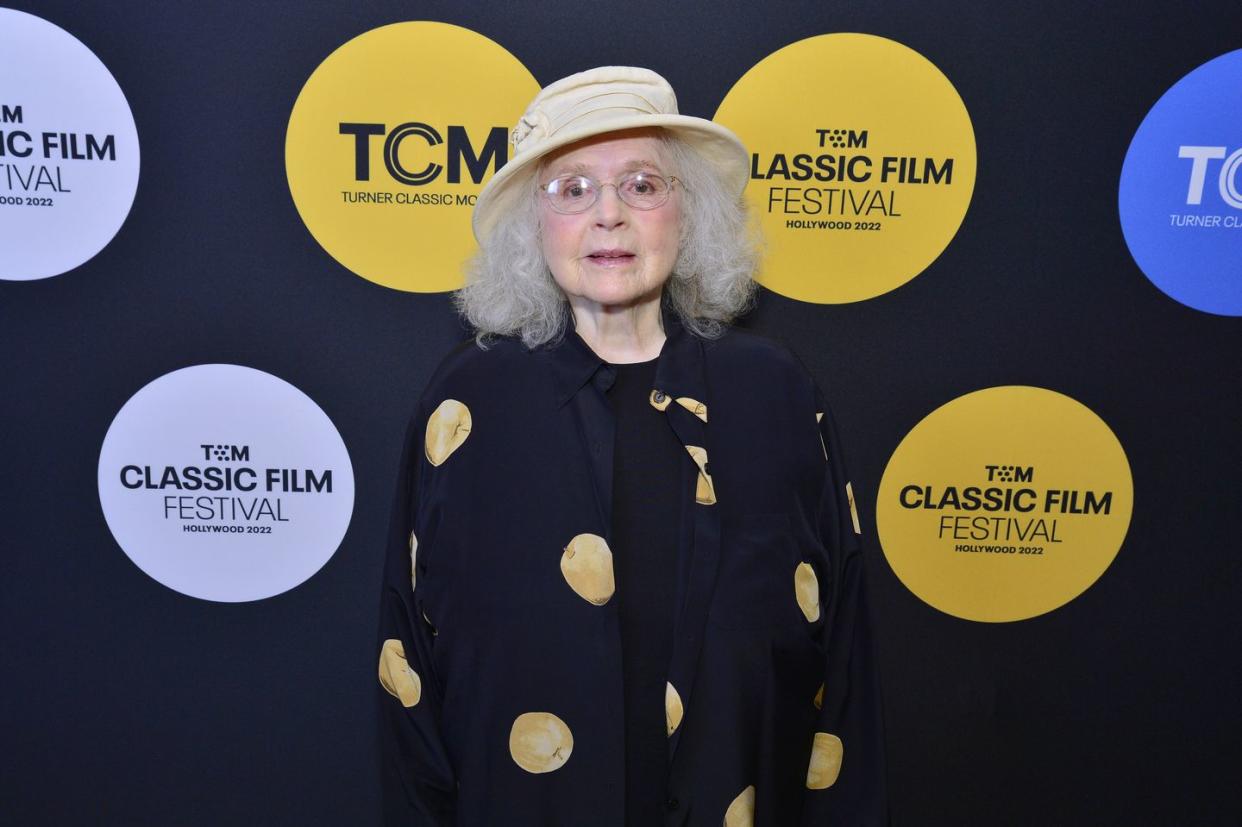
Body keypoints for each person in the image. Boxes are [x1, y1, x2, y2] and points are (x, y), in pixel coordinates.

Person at [377, 66, 887, 826]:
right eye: (573, 189)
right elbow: (407, 659)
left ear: (688, 215)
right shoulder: (467, 401)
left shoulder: (775, 391)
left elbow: (842, 655)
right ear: (534, 226)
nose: (608, 215)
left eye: (642, 185)